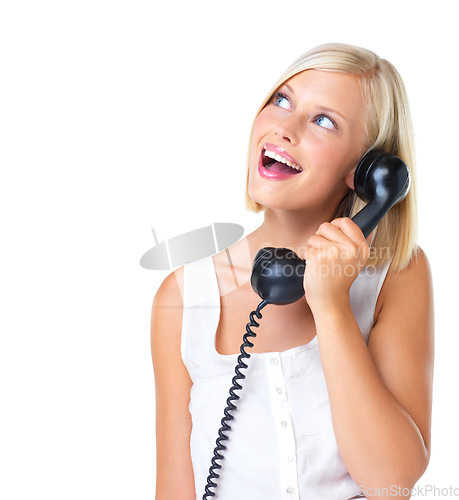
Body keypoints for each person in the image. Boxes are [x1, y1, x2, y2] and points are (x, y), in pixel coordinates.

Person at [151, 42, 434, 500]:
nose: (284, 127)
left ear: (365, 172)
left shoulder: (396, 276)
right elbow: (175, 489)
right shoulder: (185, 297)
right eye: (282, 100)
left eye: (324, 120)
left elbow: (391, 482)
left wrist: (331, 304)